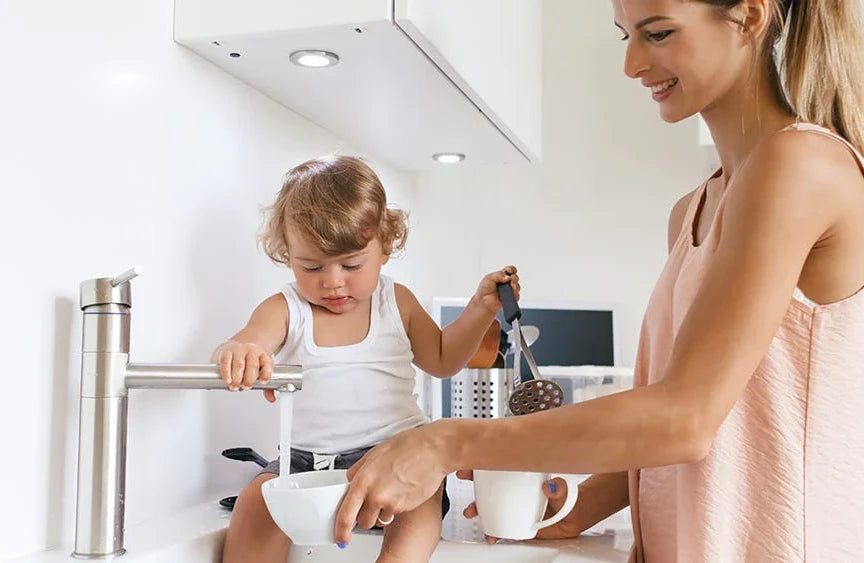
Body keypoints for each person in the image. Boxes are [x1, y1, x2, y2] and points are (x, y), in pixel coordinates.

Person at [332, 1, 864, 561]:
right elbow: (694, 420)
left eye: (657, 34)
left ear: (749, 17)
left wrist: (444, 441)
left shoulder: (800, 164)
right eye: (625, 37)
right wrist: (581, 506)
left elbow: (684, 418)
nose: (633, 64)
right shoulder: (693, 210)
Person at [214, 155, 520, 563]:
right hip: (306, 462)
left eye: (352, 264)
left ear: (385, 247)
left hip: (395, 453)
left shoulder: (396, 302)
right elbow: (249, 339)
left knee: (419, 505)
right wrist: (239, 352)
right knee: (256, 501)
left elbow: (444, 359)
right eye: (312, 266)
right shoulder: (286, 308)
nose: (333, 281)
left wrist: (481, 310)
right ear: (288, 255)